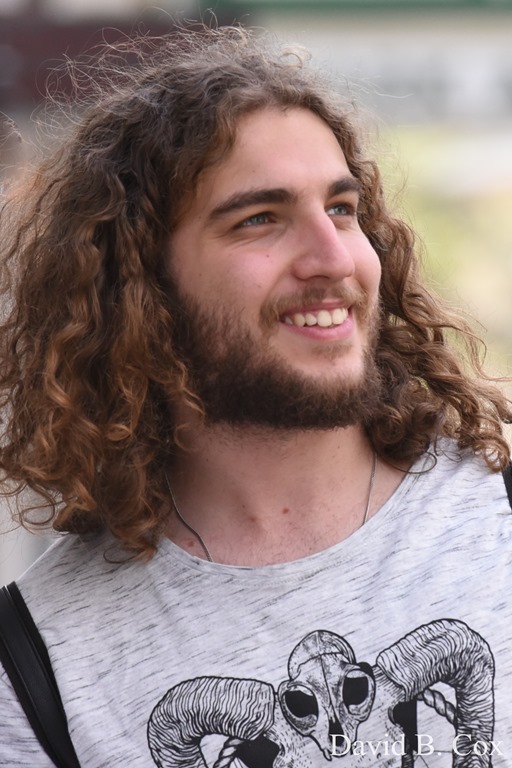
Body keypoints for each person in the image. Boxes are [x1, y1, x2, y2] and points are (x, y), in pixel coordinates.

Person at [0, 23, 511, 768]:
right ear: (141, 287)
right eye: (260, 220)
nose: (334, 258)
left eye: (342, 209)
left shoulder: (500, 521)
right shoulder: (37, 670)